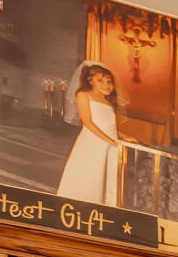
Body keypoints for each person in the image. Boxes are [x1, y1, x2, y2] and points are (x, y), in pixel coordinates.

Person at [54, 62, 125, 202]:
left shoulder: (107, 101)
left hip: (111, 144)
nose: (106, 85)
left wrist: (125, 137)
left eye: (109, 81)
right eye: (100, 80)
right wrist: (112, 142)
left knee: (106, 177)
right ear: (90, 80)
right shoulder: (83, 95)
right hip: (92, 142)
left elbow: (110, 126)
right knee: (91, 174)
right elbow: (87, 122)